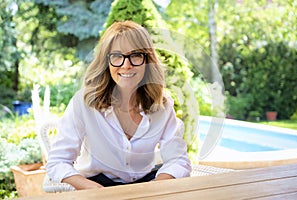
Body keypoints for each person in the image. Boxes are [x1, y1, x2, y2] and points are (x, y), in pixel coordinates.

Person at [46, 20, 191, 190]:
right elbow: (57, 162)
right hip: (95, 184)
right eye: (117, 56)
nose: (126, 65)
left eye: (136, 55)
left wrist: (154, 188)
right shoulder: (84, 103)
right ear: (106, 62)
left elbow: (178, 160)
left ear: (147, 60)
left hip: (147, 183)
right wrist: (93, 190)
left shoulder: (162, 105)